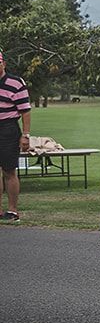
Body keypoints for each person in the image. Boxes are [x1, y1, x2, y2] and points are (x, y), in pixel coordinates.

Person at [0, 48, 31, 221]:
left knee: (9, 170)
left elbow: (25, 111)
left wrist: (25, 135)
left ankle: (12, 210)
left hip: (8, 128)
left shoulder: (15, 83)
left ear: (3, 64)